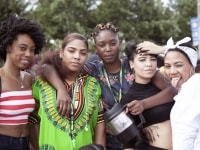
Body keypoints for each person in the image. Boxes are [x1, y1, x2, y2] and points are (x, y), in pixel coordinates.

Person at [41, 23, 177, 150]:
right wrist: (61, 89)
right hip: (112, 140)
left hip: (142, 137)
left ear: (119, 44)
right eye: (102, 44)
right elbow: (46, 67)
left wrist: (143, 104)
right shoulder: (92, 69)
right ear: (96, 48)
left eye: (113, 43)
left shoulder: (135, 64)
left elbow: (172, 90)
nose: (108, 49)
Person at [32, 32, 106, 150]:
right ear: (61, 53)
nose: (77, 56)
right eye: (71, 51)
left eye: (83, 53)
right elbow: (31, 120)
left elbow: (99, 122)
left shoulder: (93, 85)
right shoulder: (41, 84)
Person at [137, 37, 200, 150]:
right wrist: (163, 49)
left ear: (193, 65)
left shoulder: (194, 86)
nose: (172, 71)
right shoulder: (188, 87)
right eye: (168, 66)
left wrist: (161, 49)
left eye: (179, 65)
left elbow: (186, 133)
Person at [0, 14, 45, 149]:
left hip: (25, 143)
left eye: (32, 50)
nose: (29, 54)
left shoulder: (28, 79)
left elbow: (32, 120)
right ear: (8, 46)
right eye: (23, 48)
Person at [120, 40, 174, 150]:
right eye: (142, 60)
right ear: (131, 63)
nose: (149, 64)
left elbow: (173, 92)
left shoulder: (165, 85)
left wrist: (143, 104)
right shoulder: (129, 99)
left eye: (153, 59)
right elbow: (128, 144)